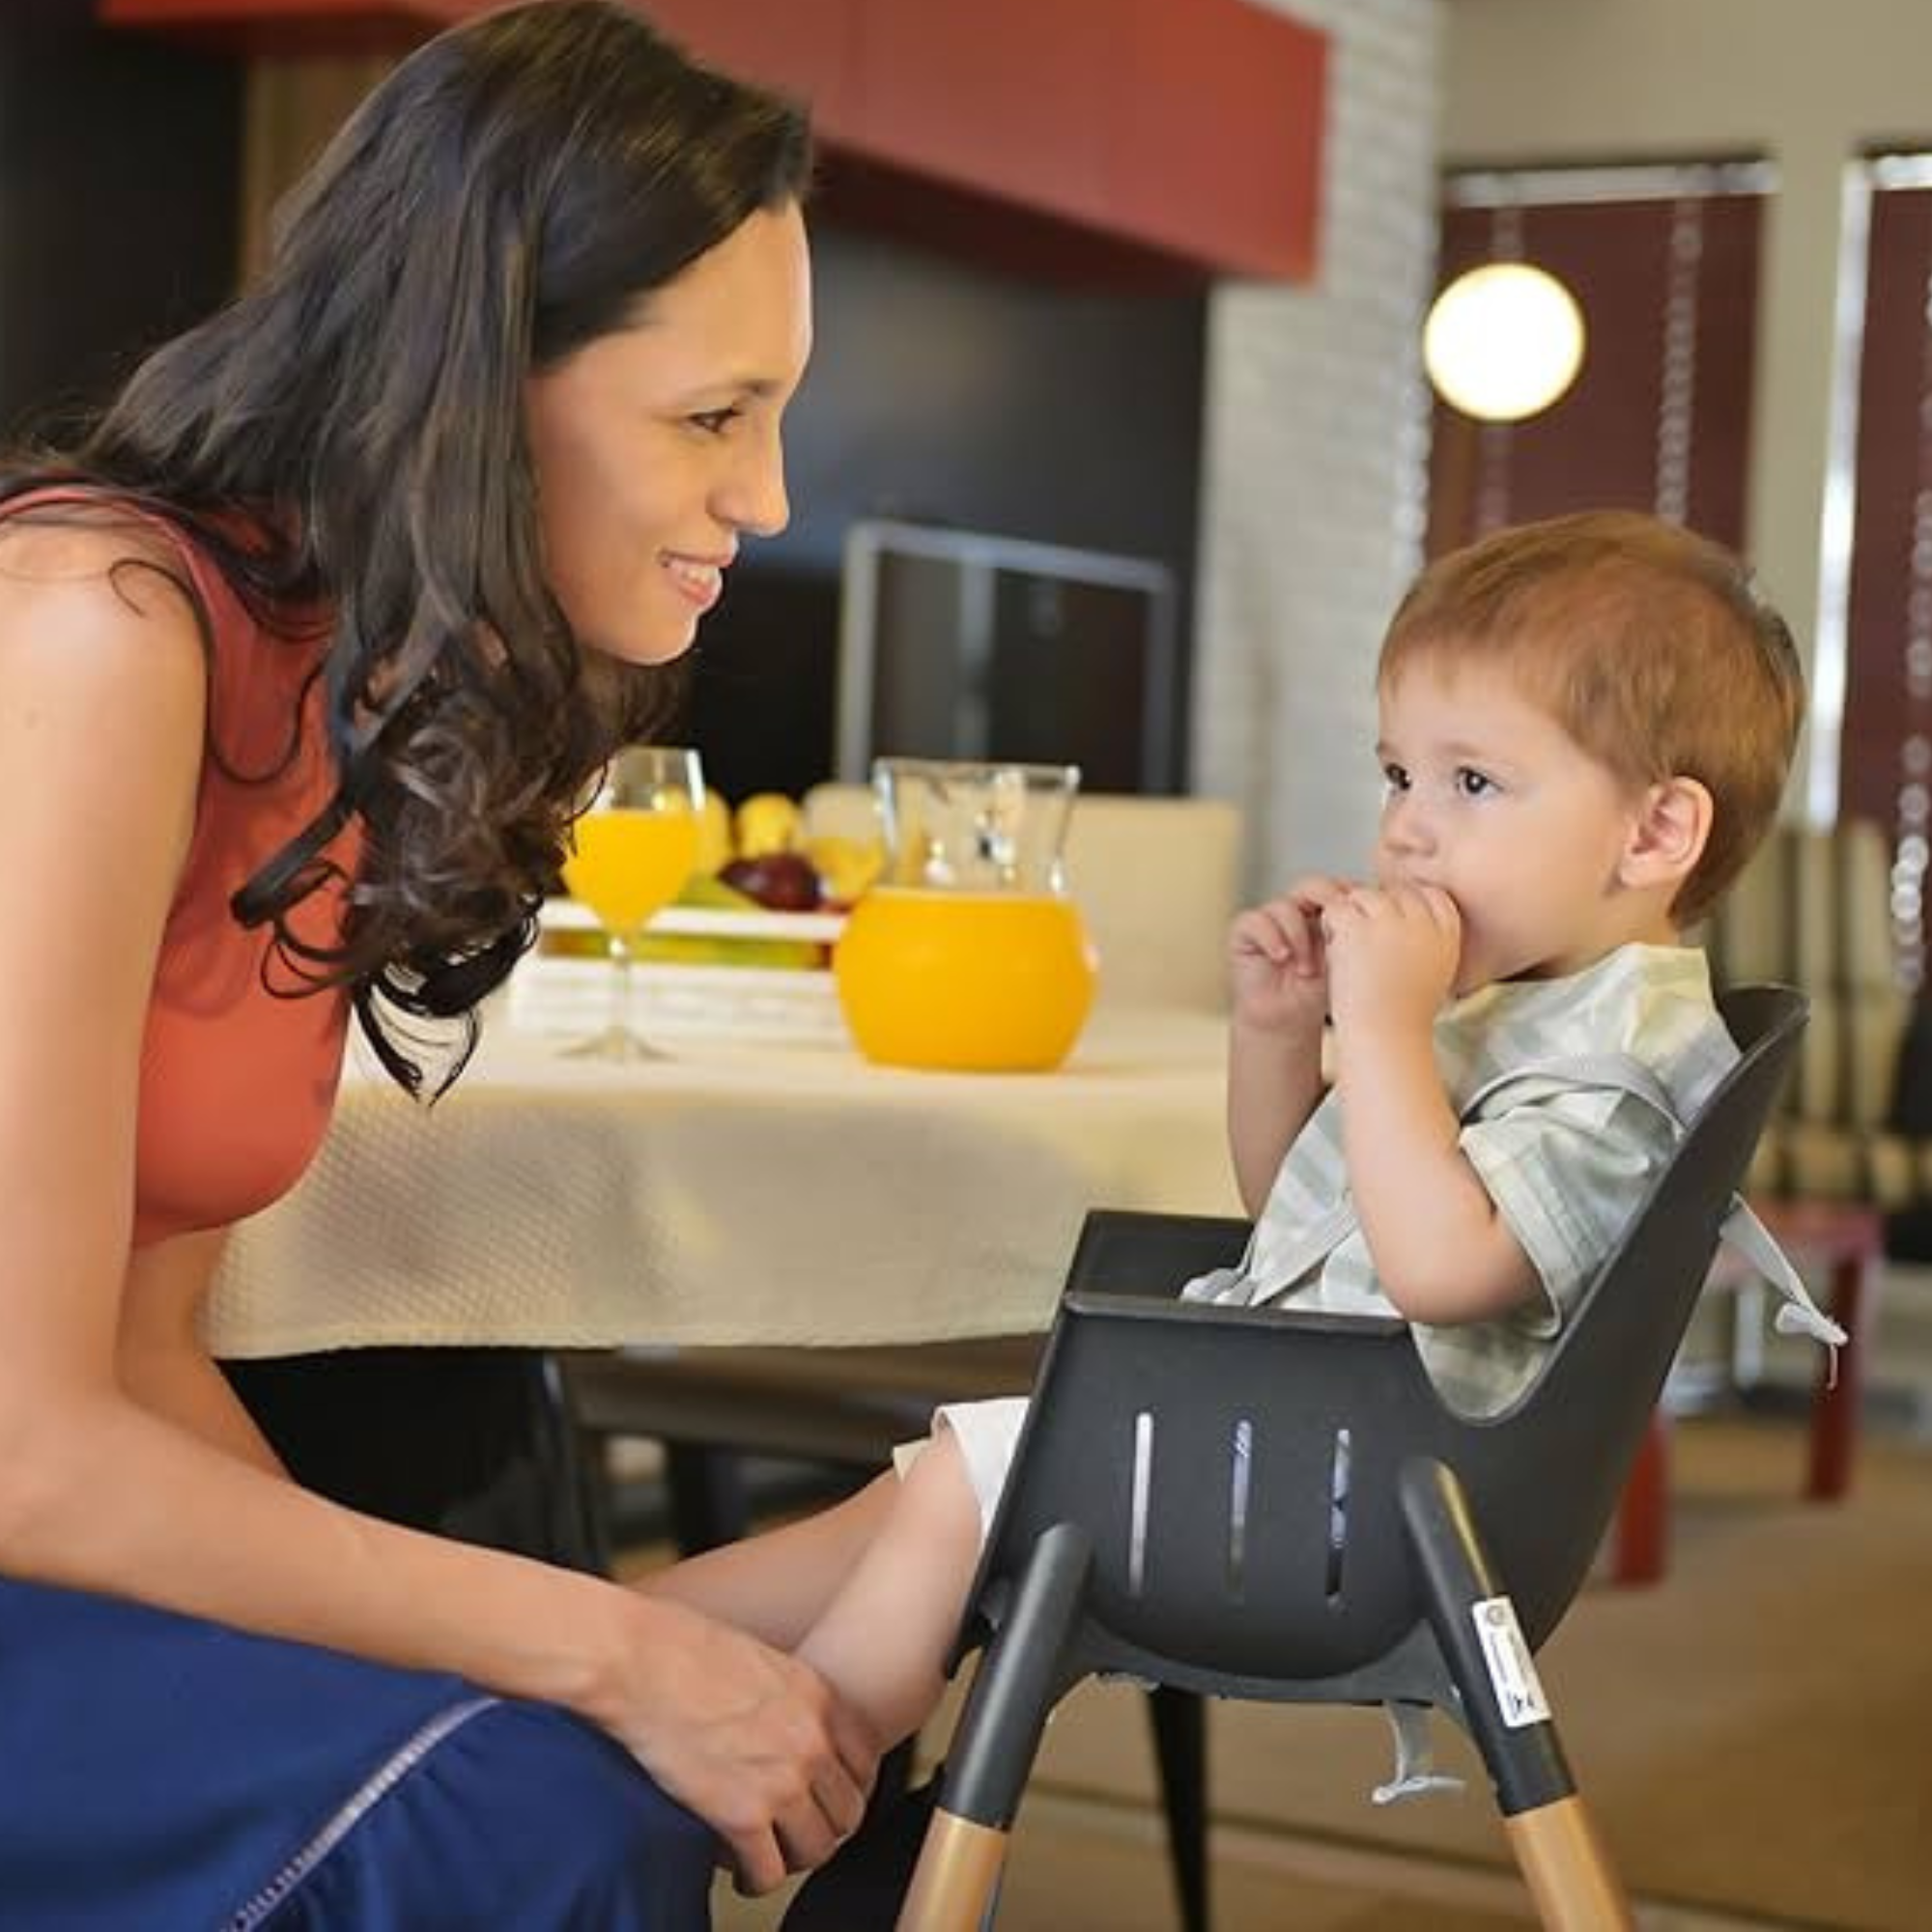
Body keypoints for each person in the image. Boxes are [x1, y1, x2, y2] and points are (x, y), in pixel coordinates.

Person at [635, 510, 1845, 1918]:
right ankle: (585, 1657)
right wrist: (1283, 1035)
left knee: (964, 1480)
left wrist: (1383, 1030)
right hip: (1308, 1448)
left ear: (1656, 831)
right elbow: (1304, 1226)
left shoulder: (1615, 1070)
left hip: (1370, 1501)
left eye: (1472, 780)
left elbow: (1438, 1270)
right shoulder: (1522, 1009)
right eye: (1399, 772)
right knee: (910, 1505)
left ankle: (799, 1768)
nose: (1407, 824)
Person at [0, 3, 879, 1922]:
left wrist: (496, 1665)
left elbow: (136, 1356)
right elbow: (25, 1445)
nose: (768, 498)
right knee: (549, 1801)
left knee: (581, 1757)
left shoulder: (333, 694)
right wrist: (601, 1648)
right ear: (475, 384)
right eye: (711, 416)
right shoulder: (96, 630)